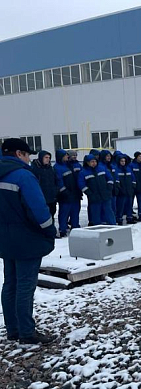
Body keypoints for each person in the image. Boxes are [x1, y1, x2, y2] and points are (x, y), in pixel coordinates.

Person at [0, 138, 57, 344]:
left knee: (10, 284)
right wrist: (50, 230)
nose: (29, 158)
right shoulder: (23, 176)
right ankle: (26, 332)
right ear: (18, 154)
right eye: (27, 155)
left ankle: (13, 329)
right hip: (27, 239)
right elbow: (39, 211)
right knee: (25, 286)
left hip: (5, 240)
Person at [78, 155, 116, 225]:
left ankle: (113, 226)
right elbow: (81, 184)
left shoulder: (102, 168)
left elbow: (110, 178)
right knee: (96, 214)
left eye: (95, 161)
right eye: (92, 162)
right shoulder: (83, 172)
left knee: (109, 213)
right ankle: (98, 229)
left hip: (105, 195)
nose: (94, 163)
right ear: (87, 163)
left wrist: (109, 188)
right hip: (94, 197)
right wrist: (89, 193)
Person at [54, 149, 81, 237]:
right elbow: (59, 182)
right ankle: (63, 229)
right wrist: (65, 192)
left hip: (75, 193)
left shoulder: (69, 165)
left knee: (75, 211)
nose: (67, 157)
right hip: (65, 195)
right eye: (66, 155)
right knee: (64, 213)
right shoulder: (57, 167)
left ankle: (75, 226)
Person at [30, 150, 58, 220]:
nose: (48, 159)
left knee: (52, 214)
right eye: (46, 157)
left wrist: (56, 191)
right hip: (41, 197)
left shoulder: (50, 168)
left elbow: (55, 181)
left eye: (49, 158)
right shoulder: (34, 168)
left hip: (51, 197)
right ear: (41, 157)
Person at [115, 154, 136, 225]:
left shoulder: (128, 169)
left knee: (129, 205)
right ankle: (119, 218)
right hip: (122, 192)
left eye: (124, 161)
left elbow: (133, 178)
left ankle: (129, 218)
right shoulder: (117, 170)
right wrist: (119, 189)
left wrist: (133, 186)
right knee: (120, 206)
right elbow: (117, 181)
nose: (123, 162)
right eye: (121, 161)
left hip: (129, 191)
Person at [99, 150, 118, 217]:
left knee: (113, 205)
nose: (109, 157)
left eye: (110, 156)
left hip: (113, 189)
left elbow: (116, 176)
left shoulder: (112, 166)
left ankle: (113, 219)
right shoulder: (100, 166)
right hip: (106, 189)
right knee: (106, 207)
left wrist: (117, 185)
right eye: (107, 156)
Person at [67, 150, 83, 228]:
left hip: (77, 190)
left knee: (77, 209)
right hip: (68, 191)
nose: (74, 157)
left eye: (75, 156)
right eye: (73, 155)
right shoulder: (66, 165)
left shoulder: (78, 165)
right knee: (67, 209)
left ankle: (74, 223)